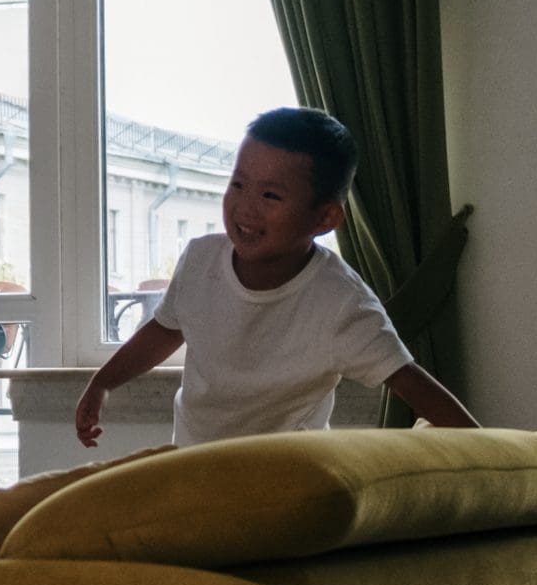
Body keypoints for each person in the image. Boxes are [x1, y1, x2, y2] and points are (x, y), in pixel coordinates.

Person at [74, 106, 476, 450]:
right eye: (238, 184)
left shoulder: (341, 302)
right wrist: (103, 383)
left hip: (288, 477)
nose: (245, 207)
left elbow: (411, 382)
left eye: (270, 196)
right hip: (195, 463)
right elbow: (163, 331)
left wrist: (500, 453)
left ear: (325, 218)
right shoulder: (200, 260)